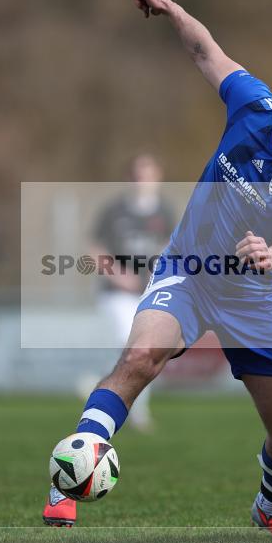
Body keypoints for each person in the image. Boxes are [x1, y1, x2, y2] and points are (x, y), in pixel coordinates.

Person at [42, 0, 272, 541]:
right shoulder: (252, 104)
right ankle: (68, 477)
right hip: (188, 271)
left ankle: (271, 506)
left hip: (252, 293)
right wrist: (174, 9)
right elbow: (208, 52)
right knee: (140, 358)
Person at [90, 153, 174, 431]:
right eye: (138, 176)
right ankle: (112, 399)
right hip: (116, 293)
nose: (143, 181)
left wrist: (158, 269)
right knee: (127, 339)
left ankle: (129, 405)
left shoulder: (164, 211)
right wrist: (118, 275)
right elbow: (95, 250)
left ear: (157, 178)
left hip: (148, 291)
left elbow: (170, 246)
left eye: (148, 176)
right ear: (130, 178)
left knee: (144, 348)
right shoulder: (114, 211)